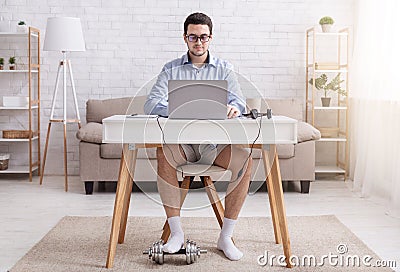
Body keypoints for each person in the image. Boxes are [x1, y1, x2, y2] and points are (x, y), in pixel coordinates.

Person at [144, 12, 252, 261]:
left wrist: (234, 108)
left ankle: (226, 236)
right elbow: (151, 104)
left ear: (210, 38)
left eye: (203, 37)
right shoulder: (170, 69)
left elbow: (239, 101)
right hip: (182, 144)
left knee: (245, 160)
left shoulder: (225, 68)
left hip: (214, 145)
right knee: (163, 154)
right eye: (193, 36)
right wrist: (177, 110)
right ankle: (177, 234)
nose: (199, 42)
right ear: (185, 38)